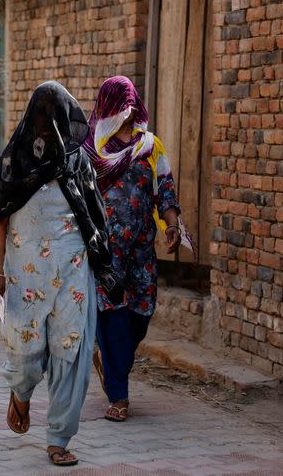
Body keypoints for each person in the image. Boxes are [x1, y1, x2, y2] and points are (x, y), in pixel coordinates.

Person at [0, 81, 119, 467]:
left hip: (73, 272)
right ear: (32, 117)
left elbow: (93, 214)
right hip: (25, 275)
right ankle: (21, 392)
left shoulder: (77, 160)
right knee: (25, 349)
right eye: (41, 116)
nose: (47, 124)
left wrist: (100, 263)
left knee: (71, 350)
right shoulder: (14, 160)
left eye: (53, 116)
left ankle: (59, 437)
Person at [83, 76, 196, 422]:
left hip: (142, 249)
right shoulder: (91, 149)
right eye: (122, 104)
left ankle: (110, 361)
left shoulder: (150, 146)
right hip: (105, 252)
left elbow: (165, 188)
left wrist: (172, 224)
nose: (129, 111)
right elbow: (80, 199)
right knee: (114, 317)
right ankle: (119, 395)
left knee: (142, 315)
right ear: (108, 106)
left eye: (132, 104)